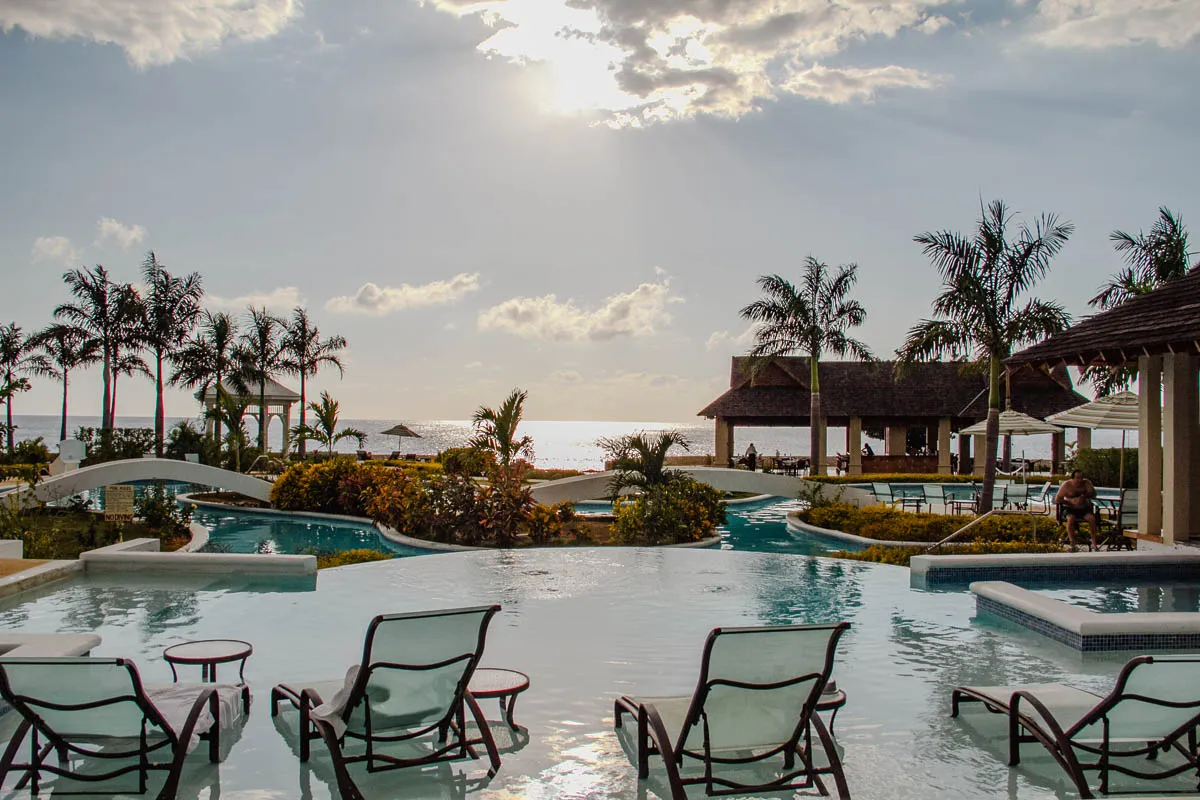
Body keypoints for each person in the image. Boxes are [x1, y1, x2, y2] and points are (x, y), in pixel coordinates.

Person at [1055, 469, 1100, 551]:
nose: (1079, 480)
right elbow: (1058, 499)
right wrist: (1070, 502)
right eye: (1077, 478)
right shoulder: (1067, 485)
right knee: (1071, 519)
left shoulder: (1086, 483)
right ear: (1073, 478)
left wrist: (1085, 495)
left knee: (1092, 519)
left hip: (1084, 509)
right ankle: (1072, 544)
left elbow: (1094, 495)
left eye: (1081, 478)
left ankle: (1094, 543)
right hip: (1071, 508)